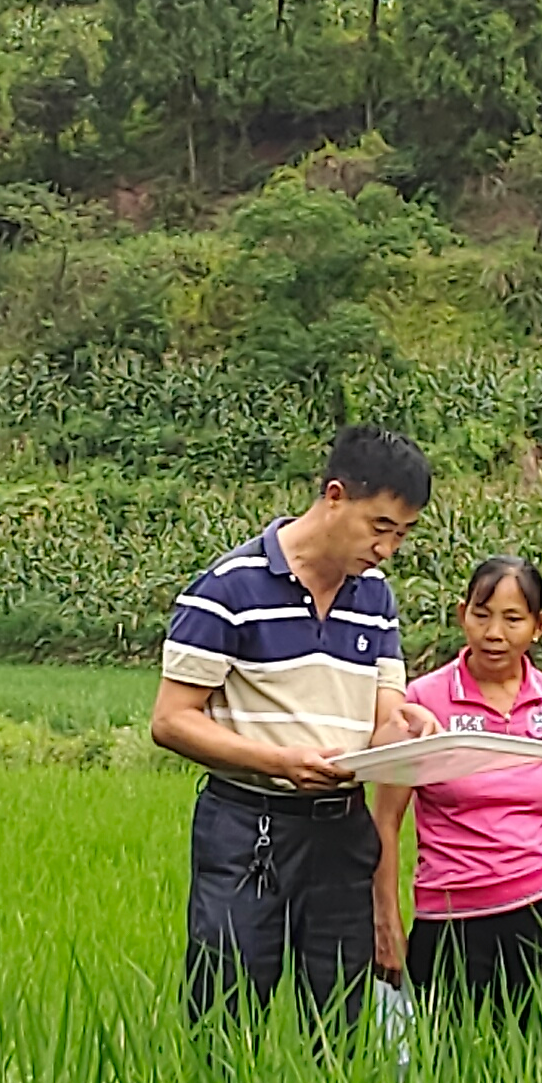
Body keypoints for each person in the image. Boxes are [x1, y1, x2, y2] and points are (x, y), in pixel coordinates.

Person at [151, 424, 440, 1023]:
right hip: (248, 825)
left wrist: (409, 726)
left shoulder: (376, 596)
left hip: (342, 828)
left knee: (343, 1014)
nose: (386, 548)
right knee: (227, 1008)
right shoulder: (229, 588)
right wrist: (278, 762)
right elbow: (173, 721)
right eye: (378, 526)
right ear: (334, 496)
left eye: (402, 534)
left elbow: (386, 713)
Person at [370, 554, 542, 1012]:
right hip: (450, 917)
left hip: (539, 908)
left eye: (513, 619)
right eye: (481, 614)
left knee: (530, 1065)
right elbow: (385, 820)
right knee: (449, 1067)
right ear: (461, 614)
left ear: (539, 625)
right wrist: (387, 920)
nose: (494, 633)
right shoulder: (423, 701)